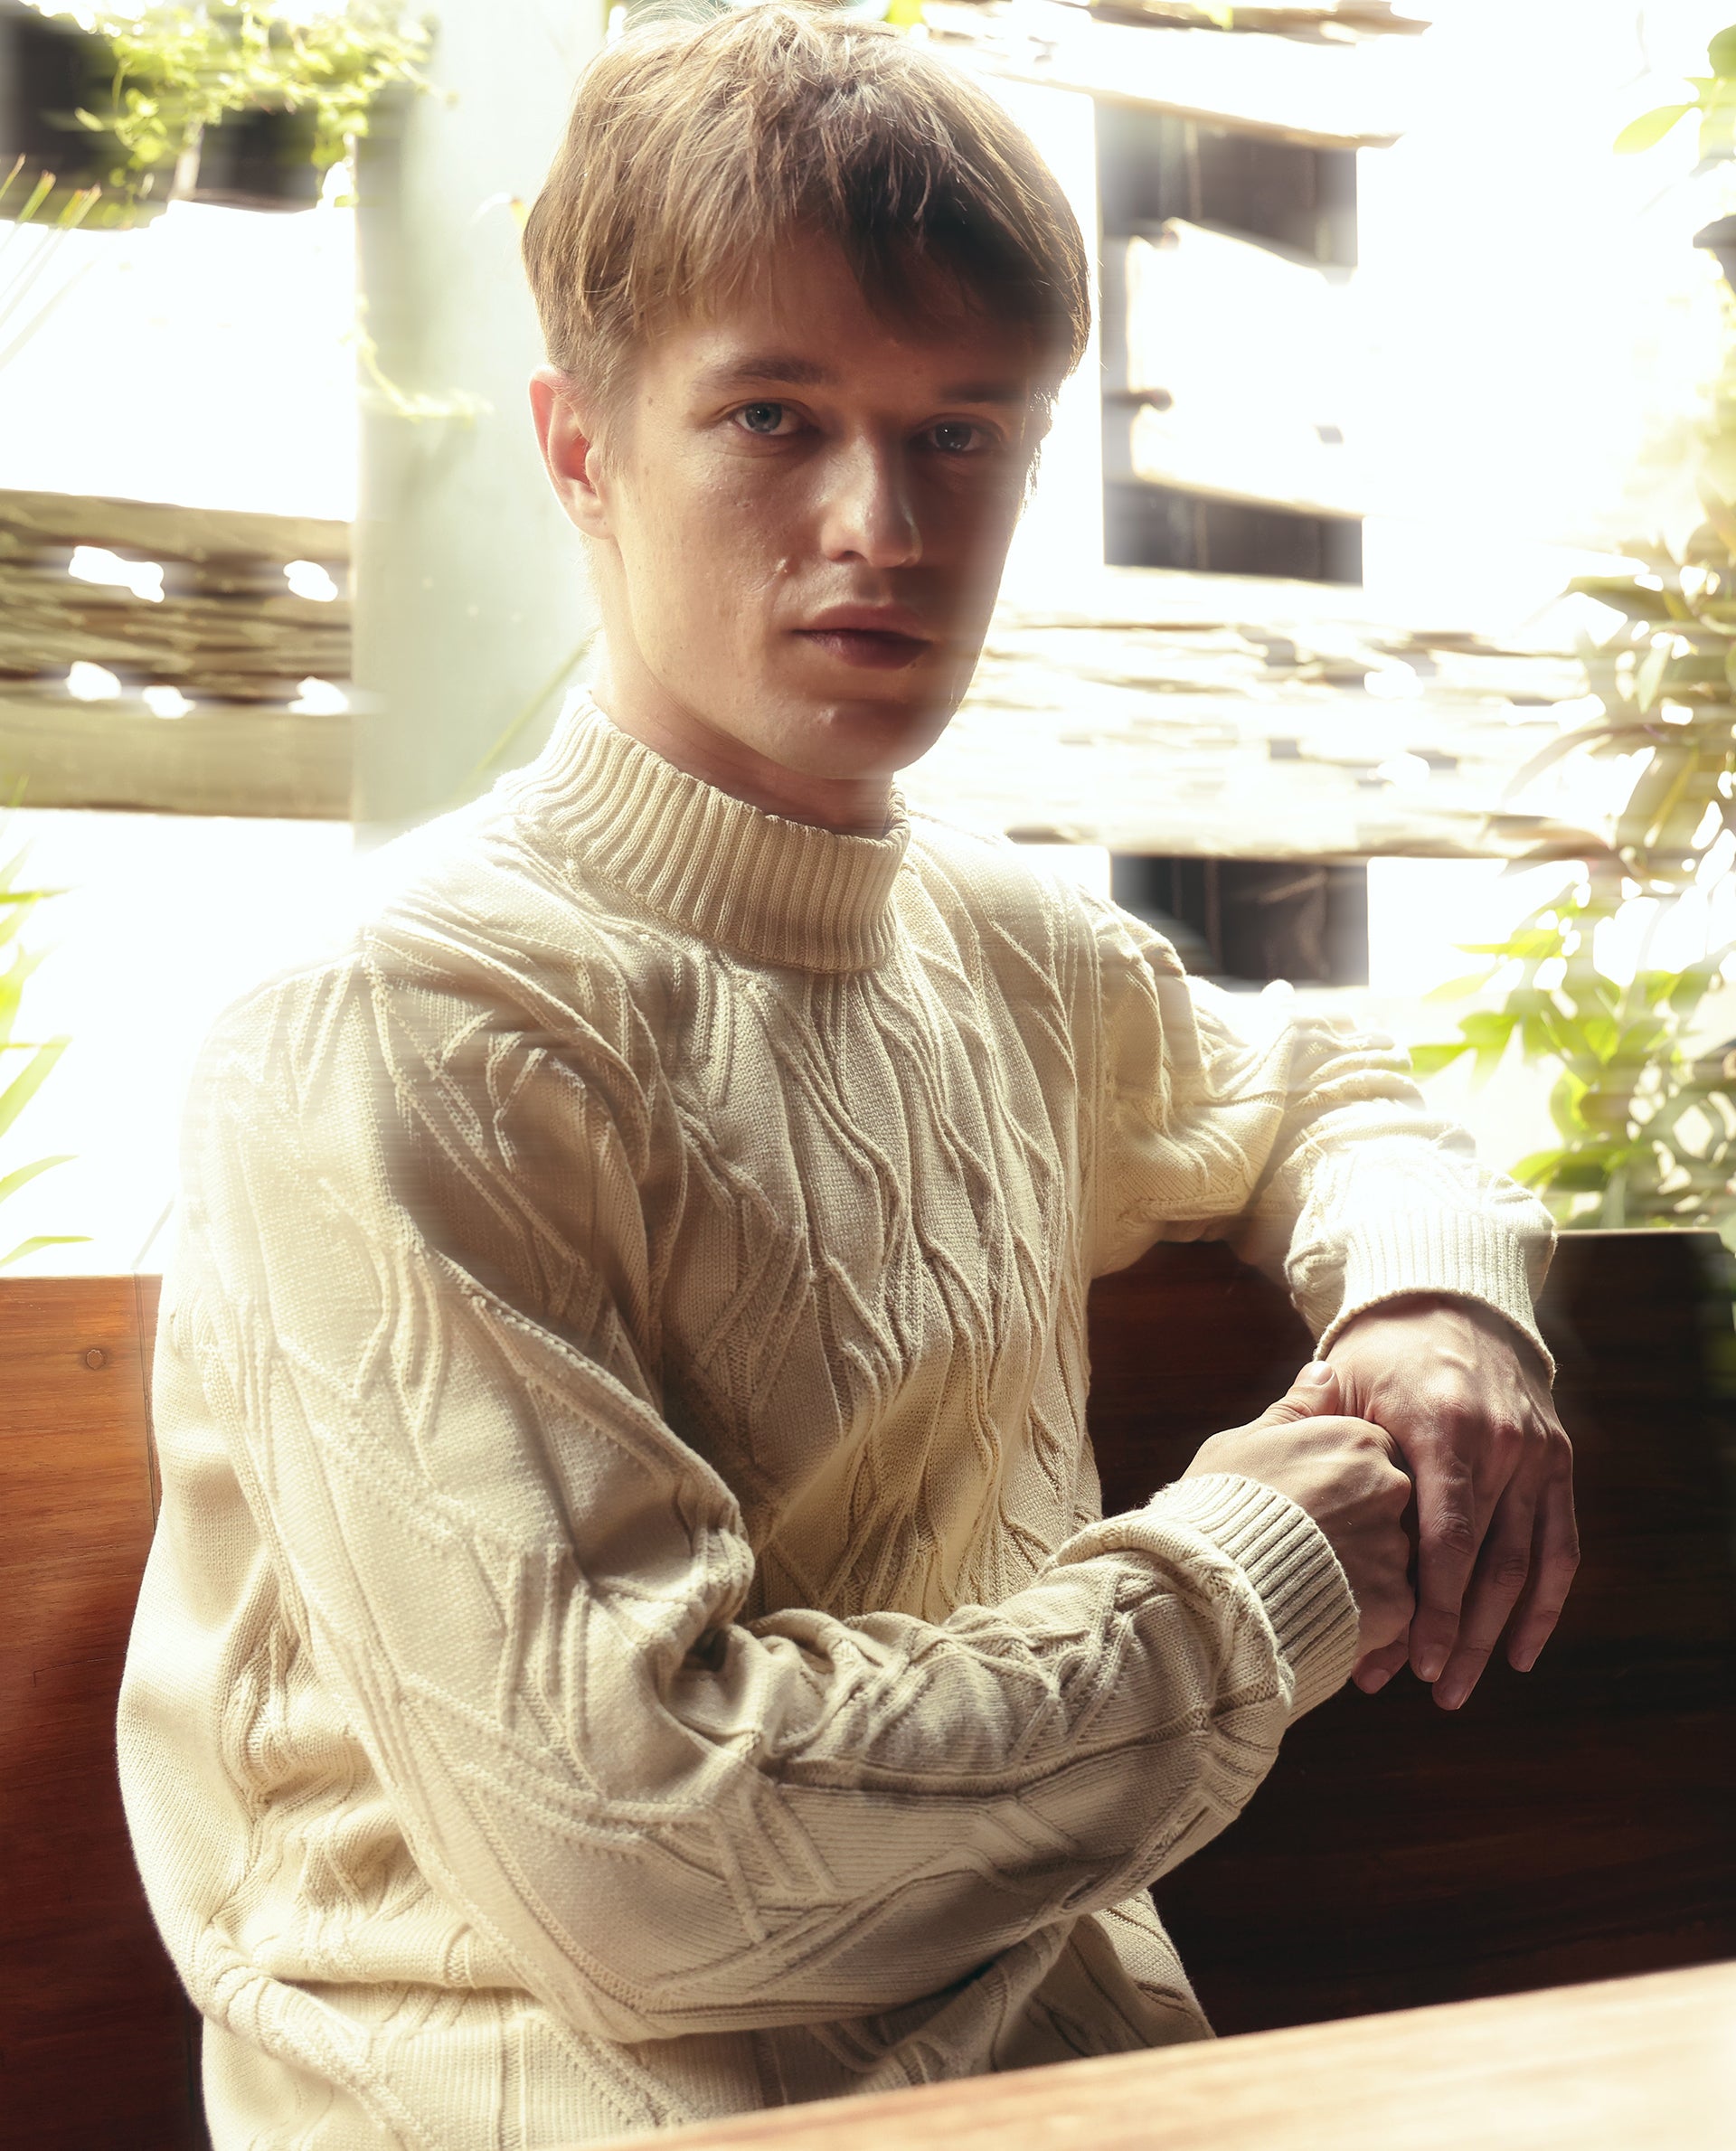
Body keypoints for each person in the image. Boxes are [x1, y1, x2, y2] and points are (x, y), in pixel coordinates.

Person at [118, 7, 1577, 2146]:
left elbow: (1318, 1083)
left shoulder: (1002, 948)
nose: (880, 522)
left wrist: (1438, 1298)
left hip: (1079, 2085)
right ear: (581, 450)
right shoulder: (396, 1027)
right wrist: (1255, 1567)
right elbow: (648, 1852)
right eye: (774, 416)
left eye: (960, 432)